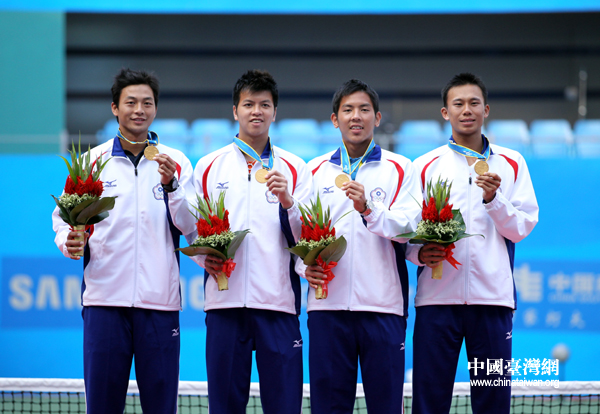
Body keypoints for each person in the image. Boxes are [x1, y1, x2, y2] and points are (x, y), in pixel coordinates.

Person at [52, 68, 195, 414]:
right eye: (130, 102)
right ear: (115, 108)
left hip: (159, 306)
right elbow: (63, 219)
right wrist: (69, 240)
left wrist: (172, 186)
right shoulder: (91, 162)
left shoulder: (176, 163)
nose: (139, 110)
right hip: (104, 304)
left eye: (147, 102)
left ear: (155, 108)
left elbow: (191, 226)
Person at [409, 73, 539, 414]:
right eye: (458, 104)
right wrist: (419, 253)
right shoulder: (424, 166)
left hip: (492, 302)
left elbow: (522, 227)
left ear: (486, 110)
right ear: (445, 112)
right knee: (429, 401)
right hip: (436, 302)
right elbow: (405, 229)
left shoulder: (512, 163)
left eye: (474, 103)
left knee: (492, 402)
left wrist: (494, 199)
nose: (466, 110)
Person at [182, 69, 311, 414]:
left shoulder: (295, 168)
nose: (257, 111)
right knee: (224, 407)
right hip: (224, 305)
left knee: (284, 407)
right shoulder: (208, 166)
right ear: (235, 111)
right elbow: (193, 229)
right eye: (249, 104)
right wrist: (204, 259)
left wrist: (288, 202)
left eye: (264, 105)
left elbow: (308, 237)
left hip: (278, 305)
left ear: (275, 112)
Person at [303, 79, 422, 414]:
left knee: (386, 407)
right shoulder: (313, 170)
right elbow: (299, 233)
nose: (356, 116)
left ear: (377, 118)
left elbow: (408, 228)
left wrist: (369, 209)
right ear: (335, 119)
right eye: (348, 110)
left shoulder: (401, 168)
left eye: (364, 110)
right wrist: (303, 266)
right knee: (328, 408)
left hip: (383, 308)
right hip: (327, 309)